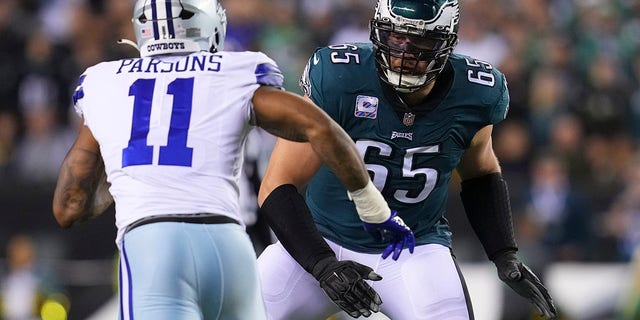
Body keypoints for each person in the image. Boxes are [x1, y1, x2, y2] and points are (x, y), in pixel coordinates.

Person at [51, 1, 415, 319]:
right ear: (210, 26)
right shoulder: (233, 72)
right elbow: (320, 128)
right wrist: (371, 206)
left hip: (153, 243)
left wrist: (133, 176)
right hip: (228, 244)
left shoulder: (104, 82)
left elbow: (69, 207)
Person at [256, 0, 558, 319]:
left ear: (447, 43)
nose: (404, 52)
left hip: (414, 250)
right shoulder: (341, 78)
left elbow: (480, 174)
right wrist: (322, 264)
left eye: (420, 41)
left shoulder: (476, 93)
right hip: (321, 239)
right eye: (396, 37)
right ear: (377, 33)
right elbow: (278, 184)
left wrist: (504, 253)